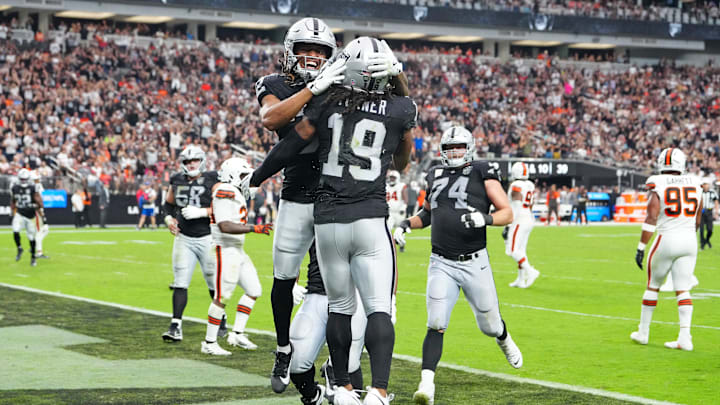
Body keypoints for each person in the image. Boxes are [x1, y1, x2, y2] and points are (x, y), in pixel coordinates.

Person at [246, 36, 413, 405]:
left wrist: (258, 175)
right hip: (366, 215)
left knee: (342, 308)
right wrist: (398, 78)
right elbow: (404, 159)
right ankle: (376, 391)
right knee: (377, 310)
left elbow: (291, 144)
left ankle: (343, 388)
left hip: (328, 218)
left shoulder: (326, 101)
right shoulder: (401, 107)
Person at [393, 126, 522, 405]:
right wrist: (406, 224)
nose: (454, 153)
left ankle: (503, 337)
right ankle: (427, 383)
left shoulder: (482, 170)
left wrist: (484, 220)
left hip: (475, 261)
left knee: (489, 325)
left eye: (459, 147)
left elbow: (507, 213)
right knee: (436, 322)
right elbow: (427, 214)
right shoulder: (435, 173)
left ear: (470, 148)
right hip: (441, 261)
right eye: (449, 148)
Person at [632, 148, 702, 351]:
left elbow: (651, 217)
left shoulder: (658, 182)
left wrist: (641, 246)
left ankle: (643, 333)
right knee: (683, 289)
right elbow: (697, 218)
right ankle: (685, 337)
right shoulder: (695, 183)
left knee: (653, 286)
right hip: (689, 240)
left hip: (666, 238)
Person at [201, 157, 273, 356]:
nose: (246, 179)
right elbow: (224, 225)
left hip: (237, 250)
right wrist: (254, 228)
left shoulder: (236, 192)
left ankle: (237, 334)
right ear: (231, 175)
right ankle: (209, 342)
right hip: (224, 249)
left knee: (254, 289)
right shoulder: (225, 191)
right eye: (242, 175)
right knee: (222, 297)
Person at [288, 242, 368, 405]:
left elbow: (387, 252)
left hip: (355, 293)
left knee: (350, 363)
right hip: (317, 292)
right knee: (295, 362)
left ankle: (334, 368)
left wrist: (390, 298)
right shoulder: (309, 215)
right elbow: (293, 246)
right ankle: (313, 394)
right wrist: (291, 283)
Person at [161, 145, 222, 343]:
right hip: (184, 237)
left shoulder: (213, 178)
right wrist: (169, 219)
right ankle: (175, 325)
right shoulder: (177, 179)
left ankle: (220, 318)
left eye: (195, 160)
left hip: (207, 237)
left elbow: (225, 204)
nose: (191, 164)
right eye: (187, 161)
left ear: (202, 160)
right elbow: (168, 204)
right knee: (180, 282)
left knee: (213, 283)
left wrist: (203, 212)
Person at [505, 162, 540, 288]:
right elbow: (531, 203)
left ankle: (531, 271)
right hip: (528, 216)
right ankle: (520, 279)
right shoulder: (529, 184)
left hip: (519, 218)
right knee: (521, 250)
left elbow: (516, 204)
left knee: (512, 250)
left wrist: (509, 223)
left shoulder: (516, 185)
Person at [10, 168, 45, 267]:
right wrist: (11, 212)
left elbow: (39, 200)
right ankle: (19, 248)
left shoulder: (33, 188)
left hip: (30, 215)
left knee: (31, 238)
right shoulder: (15, 188)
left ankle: (33, 257)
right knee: (15, 230)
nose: (23, 181)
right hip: (20, 212)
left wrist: (39, 206)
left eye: (25, 179)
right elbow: (13, 200)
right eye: (22, 179)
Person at [385, 170, 408, 252]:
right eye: (390, 178)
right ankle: (389, 246)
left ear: (397, 178)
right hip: (390, 212)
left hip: (399, 212)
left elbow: (405, 198)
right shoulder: (386, 186)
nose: (391, 179)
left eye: (393, 178)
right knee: (388, 229)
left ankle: (402, 246)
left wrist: (404, 207)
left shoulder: (401, 186)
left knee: (400, 230)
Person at [30, 171, 49, 259]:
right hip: (36, 211)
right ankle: (38, 252)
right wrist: (40, 211)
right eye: (37, 179)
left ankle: (34, 246)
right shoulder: (33, 188)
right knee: (40, 230)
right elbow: (36, 201)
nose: (38, 180)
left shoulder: (37, 186)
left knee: (44, 230)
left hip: (38, 210)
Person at [699, 179, 718, 250]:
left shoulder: (712, 192)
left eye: (707, 184)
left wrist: (716, 212)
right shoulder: (699, 192)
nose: (706, 186)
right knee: (701, 229)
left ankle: (706, 240)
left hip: (709, 212)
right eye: (705, 184)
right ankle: (702, 245)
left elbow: (716, 201)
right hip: (701, 212)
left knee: (710, 229)